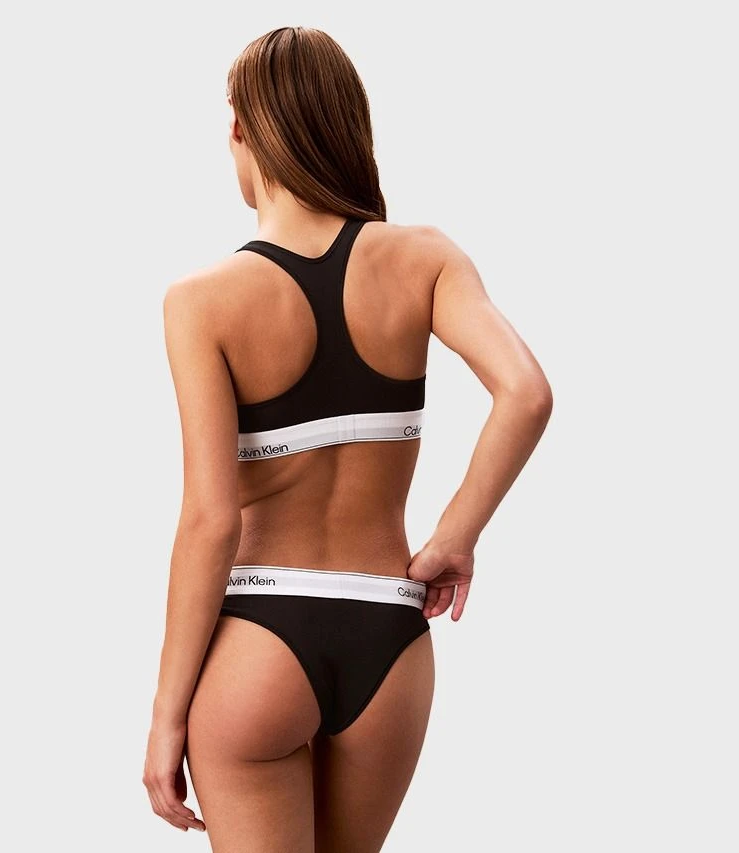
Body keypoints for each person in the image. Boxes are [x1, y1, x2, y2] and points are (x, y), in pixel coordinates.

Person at [143, 25, 552, 853]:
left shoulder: (203, 299)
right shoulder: (425, 259)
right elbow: (525, 391)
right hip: (387, 640)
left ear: (240, 129)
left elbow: (210, 522)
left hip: (259, 637)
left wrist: (165, 714)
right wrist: (454, 537)